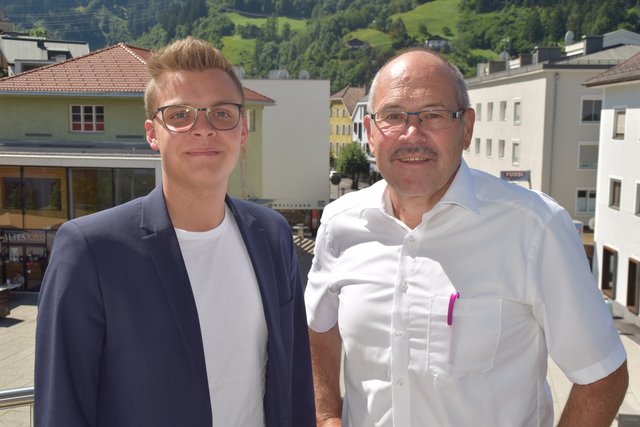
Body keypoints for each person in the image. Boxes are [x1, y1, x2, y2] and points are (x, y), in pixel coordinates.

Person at [304, 49, 628, 427]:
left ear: (467, 128)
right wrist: (327, 414)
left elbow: (603, 375)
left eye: (434, 114)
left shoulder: (534, 228)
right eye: (393, 116)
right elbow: (318, 324)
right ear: (371, 132)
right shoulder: (340, 222)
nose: (412, 134)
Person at [35, 37, 315, 427]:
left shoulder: (273, 235)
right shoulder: (91, 250)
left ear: (243, 130)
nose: (203, 129)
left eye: (221, 113)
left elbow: (295, 381)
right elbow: (62, 408)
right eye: (180, 115)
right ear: (153, 133)